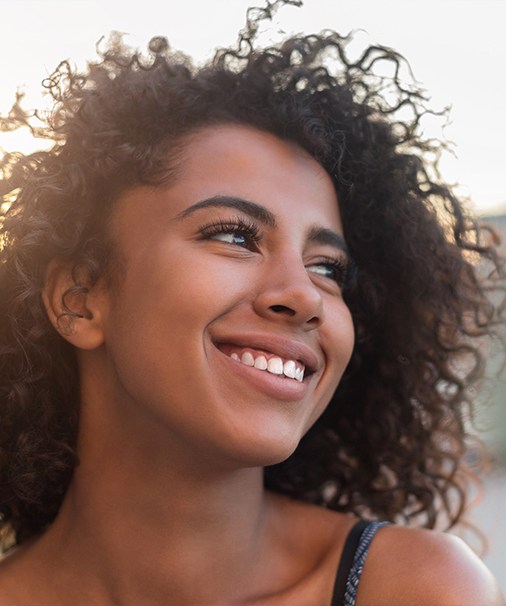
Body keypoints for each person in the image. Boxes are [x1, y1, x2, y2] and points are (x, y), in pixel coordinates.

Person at [0, 2, 504, 604]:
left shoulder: (415, 590)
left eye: (328, 268)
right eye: (235, 236)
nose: (303, 296)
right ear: (79, 299)